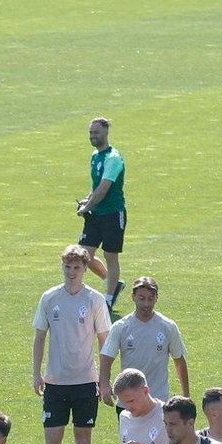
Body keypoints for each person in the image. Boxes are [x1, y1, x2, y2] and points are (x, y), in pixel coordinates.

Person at [32, 245, 112, 444]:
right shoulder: (49, 298)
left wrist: (104, 380)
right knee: (52, 443)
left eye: (77, 267)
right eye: (67, 267)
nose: (71, 272)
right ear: (62, 267)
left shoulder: (94, 300)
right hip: (55, 383)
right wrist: (36, 373)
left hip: (85, 383)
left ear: (85, 268)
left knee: (83, 442)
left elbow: (105, 340)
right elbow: (40, 336)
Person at [98, 277, 189, 405]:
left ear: (156, 298)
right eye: (141, 298)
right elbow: (107, 358)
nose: (146, 304)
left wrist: (186, 395)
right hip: (128, 403)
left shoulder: (167, 326)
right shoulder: (121, 327)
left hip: (158, 401)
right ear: (133, 297)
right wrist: (104, 384)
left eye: (150, 299)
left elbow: (179, 360)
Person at [75, 116, 126, 309]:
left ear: (106, 133)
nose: (92, 136)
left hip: (113, 213)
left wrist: (86, 207)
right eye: (90, 133)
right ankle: (113, 282)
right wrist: (88, 200)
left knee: (110, 255)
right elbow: (96, 187)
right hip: (96, 214)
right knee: (83, 254)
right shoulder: (95, 156)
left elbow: (104, 188)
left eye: (96, 132)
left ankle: (108, 299)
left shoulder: (113, 158)